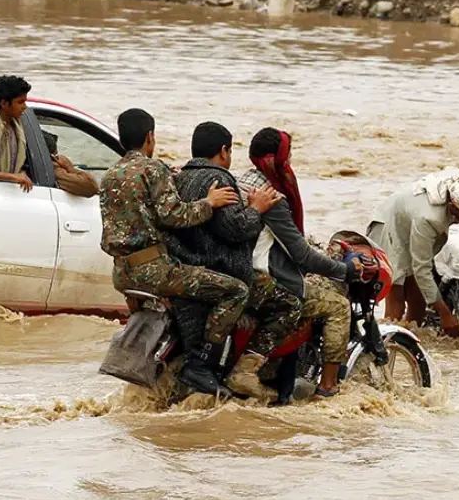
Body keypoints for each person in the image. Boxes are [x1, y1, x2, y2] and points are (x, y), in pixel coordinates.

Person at [99, 108, 248, 395]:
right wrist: (210, 202)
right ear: (150, 137)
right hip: (154, 271)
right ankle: (200, 366)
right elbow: (175, 216)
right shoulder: (153, 170)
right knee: (236, 291)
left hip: (122, 273)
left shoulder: (110, 175)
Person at [165, 122, 301, 402]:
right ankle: (246, 372)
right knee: (291, 305)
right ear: (223, 151)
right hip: (221, 271)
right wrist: (256, 209)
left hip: (183, 268)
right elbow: (235, 229)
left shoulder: (178, 178)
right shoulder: (220, 179)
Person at [238, 128, 378, 399]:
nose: (290, 161)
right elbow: (300, 255)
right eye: (287, 155)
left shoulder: (243, 182)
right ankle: (327, 388)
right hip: (267, 276)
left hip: (241, 271)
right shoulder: (272, 196)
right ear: (277, 159)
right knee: (337, 306)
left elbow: (286, 238)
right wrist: (344, 270)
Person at [367, 167, 459, 336]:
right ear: (453, 207)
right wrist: (445, 313)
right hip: (389, 228)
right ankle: (386, 344)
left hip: (407, 219)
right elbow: (421, 268)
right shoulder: (429, 219)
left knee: (418, 302)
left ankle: (410, 342)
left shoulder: (458, 188)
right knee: (397, 303)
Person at [42, 130, 99, 198]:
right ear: (53, 157)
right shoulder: (51, 169)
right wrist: (70, 168)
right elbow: (91, 186)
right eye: (57, 154)